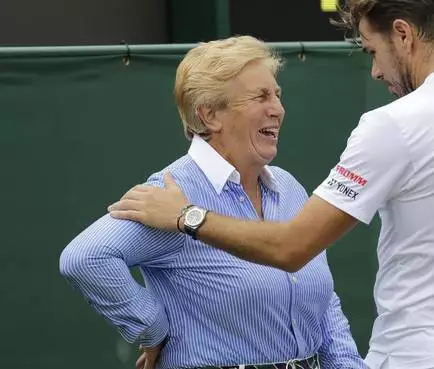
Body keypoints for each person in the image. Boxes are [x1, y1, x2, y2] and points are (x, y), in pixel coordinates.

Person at [106, 1, 434, 369]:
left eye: (373, 49)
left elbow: (291, 247)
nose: (375, 72)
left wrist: (185, 215)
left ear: (404, 34)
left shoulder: (393, 125)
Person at [59, 35, 366, 369]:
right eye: (260, 96)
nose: (278, 109)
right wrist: (155, 331)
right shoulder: (171, 193)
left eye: (277, 95)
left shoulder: (288, 187)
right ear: (209, 115)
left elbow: (325, 303)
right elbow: (85, 258)